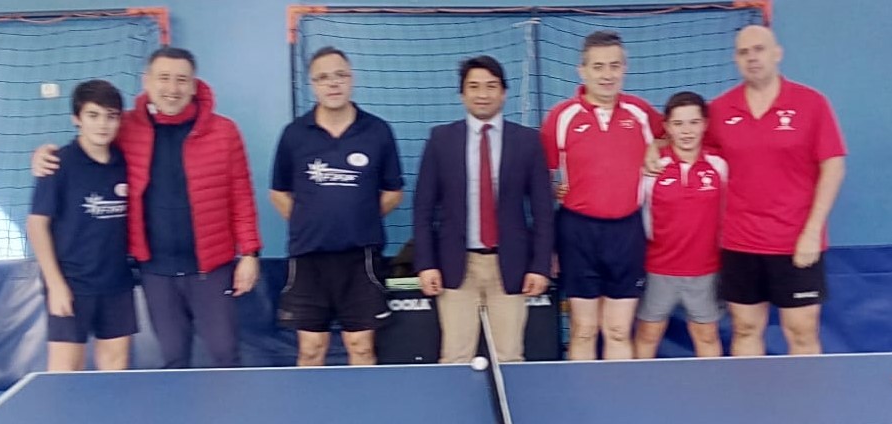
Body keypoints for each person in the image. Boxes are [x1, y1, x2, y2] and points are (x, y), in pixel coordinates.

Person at [32, 47, 262, 368]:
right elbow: (89, 143)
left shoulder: (225, 131)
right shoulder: (125, 127)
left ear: (194, 85)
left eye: (182, 79)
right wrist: (45, 154)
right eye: (164, 78)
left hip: (211, 269)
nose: (172, 88)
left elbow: (242, 195)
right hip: (155, 271)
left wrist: (250, 254)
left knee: (225, 354)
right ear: (147, 81)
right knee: (173, 359)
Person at [646, 25, 846, 356]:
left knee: (801, 332)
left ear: (776, 53)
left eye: (759, 49)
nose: (752, 57)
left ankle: (808, 407)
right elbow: (686, 139)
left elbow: (834, 167)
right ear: (736, 60)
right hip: (740, 244)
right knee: (745, 328)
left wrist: (811, 232)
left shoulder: (812, 104)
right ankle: (747, 405)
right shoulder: (722, 109)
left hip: (796, 244)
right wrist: (653, 146)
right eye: (743, 52)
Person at [413, 55, 554, 363]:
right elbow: (423, 208)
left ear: (504, 92)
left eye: (491, 86)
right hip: (456, 266)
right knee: (454, 356)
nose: (482, 94)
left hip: (511, 266)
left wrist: (540, 265)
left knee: (510, 356)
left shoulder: (528, 141)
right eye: (474, 86)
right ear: (462, 93)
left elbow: (543, 211)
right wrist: (426, 264)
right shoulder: (441, 140)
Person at [270, 46, 404, 366]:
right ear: (313, 85)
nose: (333, 83)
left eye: (340, 75)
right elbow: (278, 193)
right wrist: (311, 221)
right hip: (308, 259)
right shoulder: (294, 135)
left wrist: (357, 219)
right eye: (324, 77)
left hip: (361, 259)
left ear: (351, 80)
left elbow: (393, 192)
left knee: (360, 346)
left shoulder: (378, 131)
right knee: (311, 348)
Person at [541, 30, 664, 360]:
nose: (607, 75)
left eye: (614, 66)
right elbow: (541, 177)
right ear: (582, 71)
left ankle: (618, 406)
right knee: (583, 329)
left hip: (627, 232)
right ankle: (583, 411)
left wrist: (656, 145)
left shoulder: (641, 113)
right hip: (577, 232)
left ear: (625, 68)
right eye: (598, 67)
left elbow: (673, 136)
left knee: (619, 330)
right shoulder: (561, 117)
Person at [27, 80, 136, 371]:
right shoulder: (57, 164)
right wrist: (56, 285)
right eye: (93, 115)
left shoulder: (127, 162)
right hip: (71, 285)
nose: (103, 124)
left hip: (117, 284)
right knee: (65, 373)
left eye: (111, 116)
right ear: (77, 118)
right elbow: (37, 225)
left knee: (116, 371)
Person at [633, 91, 726, 359]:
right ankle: (642, 392)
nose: (687, 131)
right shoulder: (652, 167)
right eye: (679, 123)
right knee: (648, 334)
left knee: (706, 336)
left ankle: (711, 393)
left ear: (705, 124)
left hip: (705, 270)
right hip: (658, 269)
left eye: (694, 122)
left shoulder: (719, 166)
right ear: (667, 127)